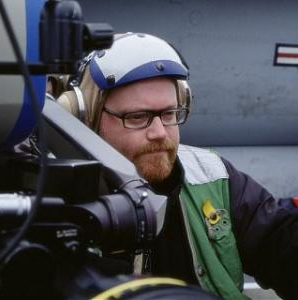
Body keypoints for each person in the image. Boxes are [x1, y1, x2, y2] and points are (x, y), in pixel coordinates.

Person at [56, 33, 298, 300]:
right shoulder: (55, 207)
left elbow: (281, 243)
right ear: (85, 117)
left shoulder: (213, 177)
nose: (160, 132)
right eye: (137, 117)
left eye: (169, 114)